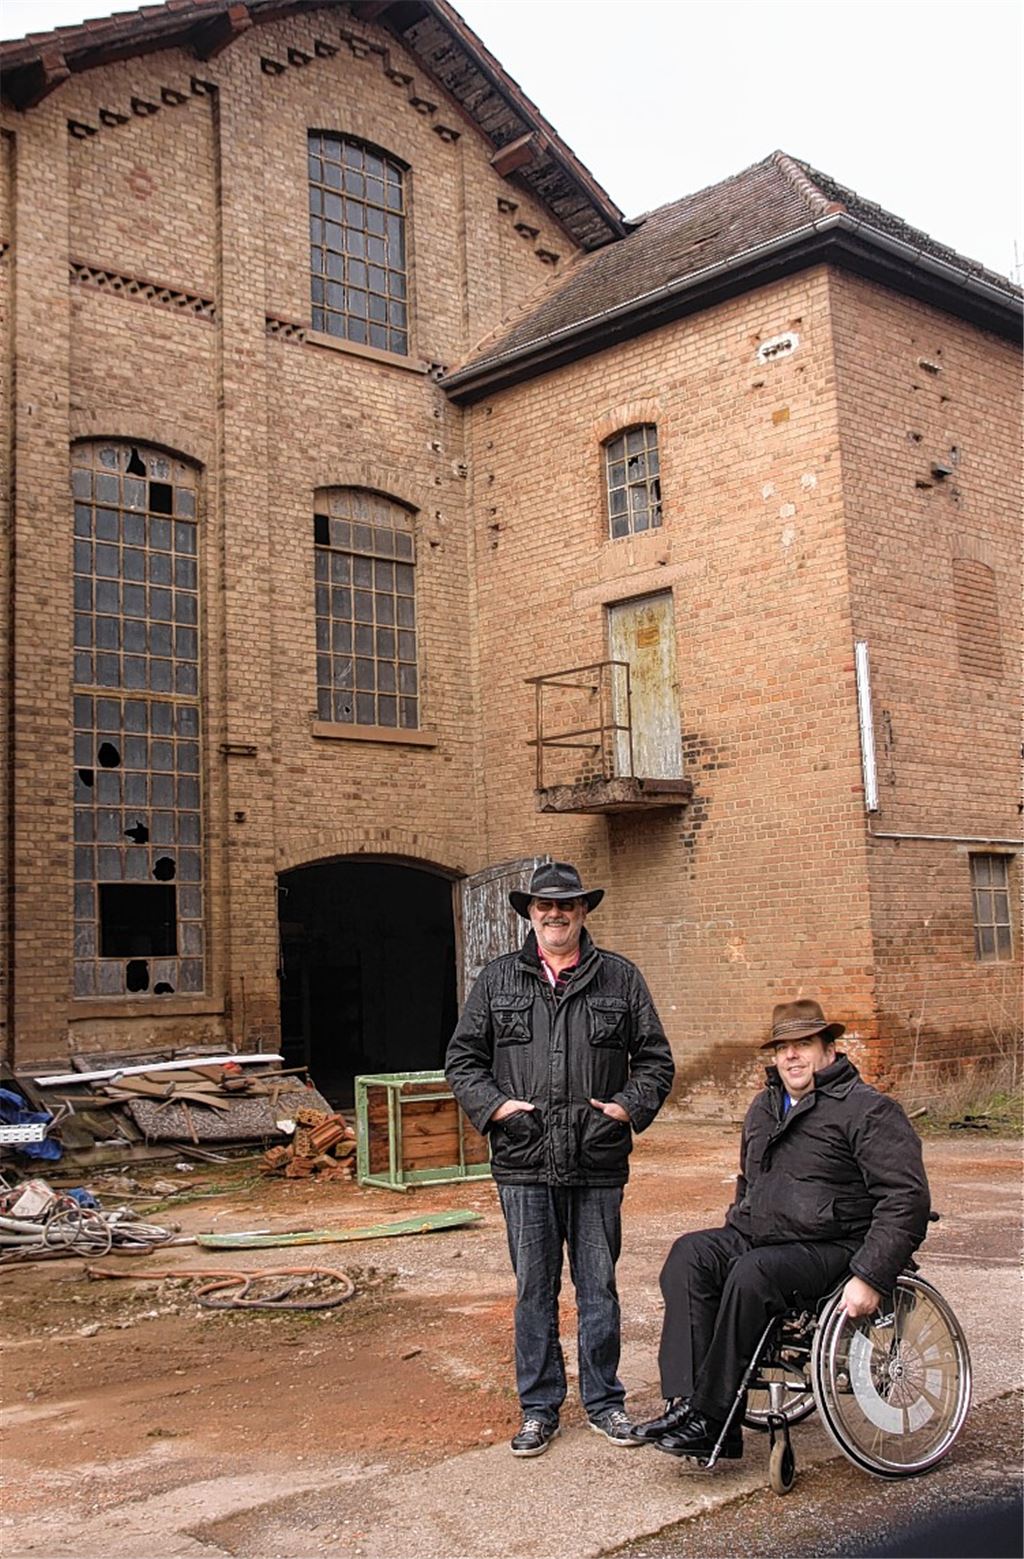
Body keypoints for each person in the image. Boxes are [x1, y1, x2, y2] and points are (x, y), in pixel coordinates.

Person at [631, 997, 931, 1460]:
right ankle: (689, 1404)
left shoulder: (866, 1110)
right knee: (690, 1255)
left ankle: (713, 1418)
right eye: (782, 1047)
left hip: (834, 1246)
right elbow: (749, 1182)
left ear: (829, 1049)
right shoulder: (764, 1107)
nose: (791, 1055)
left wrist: (871, 1275)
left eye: (804, 1043)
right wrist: (739, 1221)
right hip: (762, 1235)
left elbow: (906, 1199)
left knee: (754, 1273)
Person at [445, 860, 675, 1457]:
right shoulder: (497, 981)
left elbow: (655, 1061)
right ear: (529, 912)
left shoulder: (619, 980)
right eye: (544, 906)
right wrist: (498, 1110)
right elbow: (463, 1061)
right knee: (534, 1290)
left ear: (583, 911)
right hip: (523, 1159)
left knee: (598, 1286)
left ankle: (605, 1402)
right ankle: (539, 1408)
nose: (555, 914)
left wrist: (625, 1108)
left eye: (566, 905)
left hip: (596, 1158)